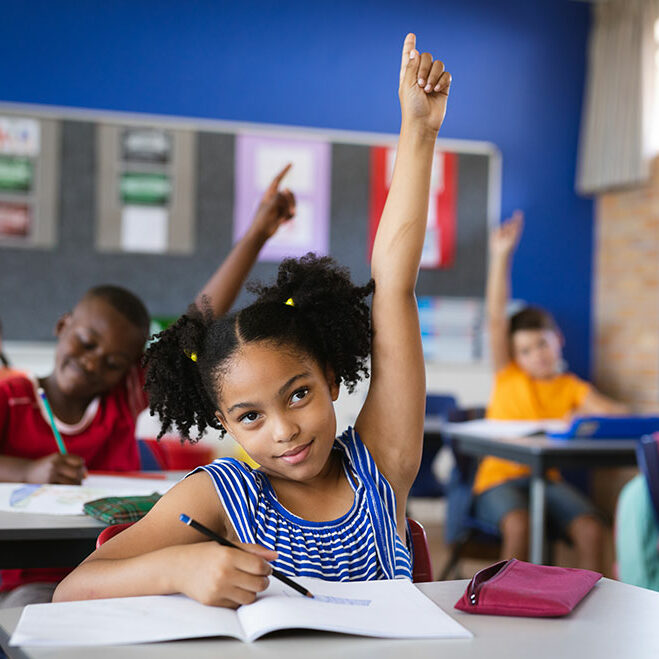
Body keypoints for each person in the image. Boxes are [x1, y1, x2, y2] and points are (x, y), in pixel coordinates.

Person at [54, 33, 451, 607]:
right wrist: (181, 568)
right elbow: (73, 590)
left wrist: (418, 133)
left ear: (333, 380)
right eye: (250, 415)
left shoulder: (383, 466)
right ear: (225, 423)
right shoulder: (224, 494)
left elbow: (394, 285)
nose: (283, 430)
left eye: (297, 395)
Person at [0, 165, 296, 608]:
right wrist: (26, 473)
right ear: (63, 326)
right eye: (85, 342)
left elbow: (198, 322)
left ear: (128, 371)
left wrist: (257, 233)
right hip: (34, 582)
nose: (91, 363)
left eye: (113, 361)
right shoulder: (13, 395)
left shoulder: (125, 396)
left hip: (127, 576)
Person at [472, 211, 628, 570]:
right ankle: (504, 599)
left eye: (542, 345)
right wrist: (501, 256)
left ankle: (591, 605)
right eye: (525, 350)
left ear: (558, 341)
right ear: (514, 356)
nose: (536, 356)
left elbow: (616, 413)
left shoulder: (571, 387)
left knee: (592, 528)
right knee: (519, 525)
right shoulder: (509, 375)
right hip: (499, 481)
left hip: (545, 481)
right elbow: (497, 318)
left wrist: (588, 416)